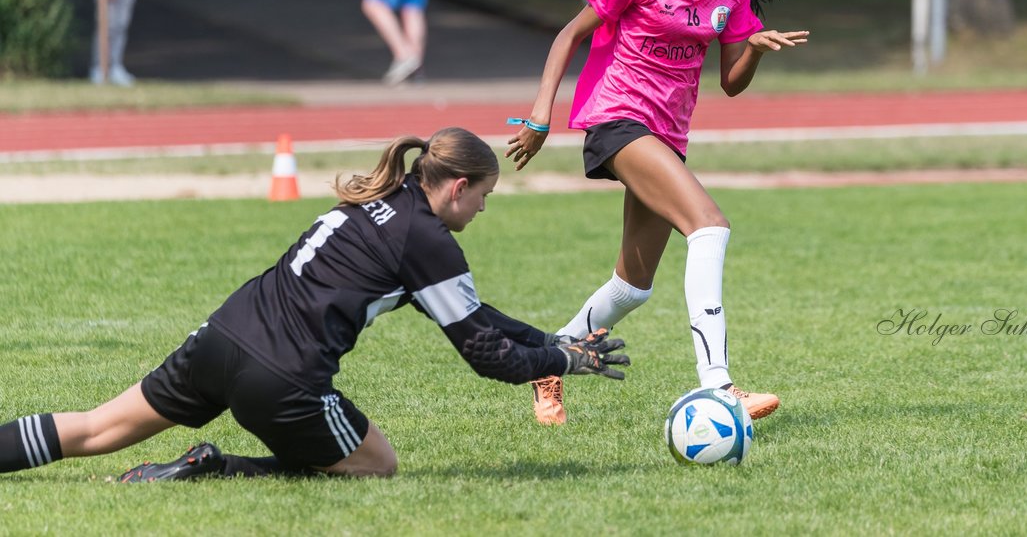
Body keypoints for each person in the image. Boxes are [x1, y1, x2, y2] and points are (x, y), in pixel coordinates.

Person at [0, 128, 628, 482]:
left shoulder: (379, 201)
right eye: (484, 197)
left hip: (222, 336)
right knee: (377, 465)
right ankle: (216, 467)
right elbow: (485, 355)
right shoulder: (427, 240)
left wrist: (552, 342)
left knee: (95, 427)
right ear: (458, 187)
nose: (484, 210)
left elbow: (479, 316)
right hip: (283, 379)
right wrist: (565, 362)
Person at [505, 0, 808, 426]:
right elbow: (568, 36)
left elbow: (731, 84)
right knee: (709, 228)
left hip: (667, 135)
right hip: (617, 120)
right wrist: (540, 117)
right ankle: (719, 388)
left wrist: (756, 50)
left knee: (631, 288)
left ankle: (546, 363)